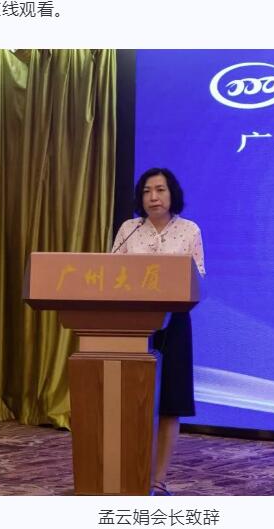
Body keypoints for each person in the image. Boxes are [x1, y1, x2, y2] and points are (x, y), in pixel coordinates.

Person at [112, 167, 205, 496]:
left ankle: (158, 479)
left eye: (160, 190)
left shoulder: (189, 230)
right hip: (132, 324)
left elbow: (198, 278)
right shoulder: (129, 230)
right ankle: (126, 474)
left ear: (172, 193)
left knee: (169, 403)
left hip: (174, 323)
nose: (153, 197)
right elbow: (110, 274)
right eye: (146, 191)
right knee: (131, 402)